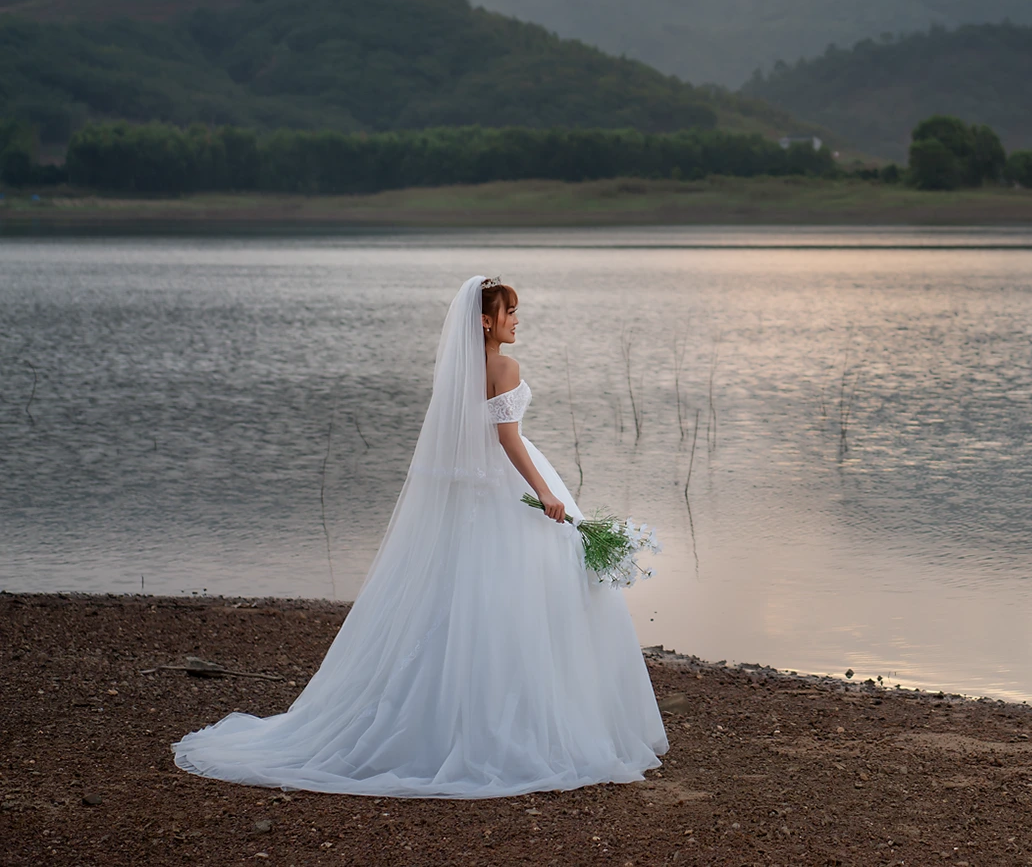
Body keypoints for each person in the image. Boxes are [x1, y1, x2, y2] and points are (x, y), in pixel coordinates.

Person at [173, 275, 668, 797]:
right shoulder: (503, 367)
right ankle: (527, 720)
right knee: (524, 593)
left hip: (469, 491)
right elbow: (507, 438)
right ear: (485, 321)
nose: (517, 321)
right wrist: (545, 492)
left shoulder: (461, 370)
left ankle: (437, 712)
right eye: (510, 312)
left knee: (456, 594)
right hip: (504, 482)